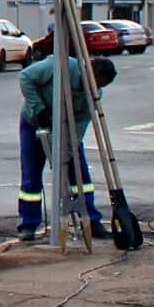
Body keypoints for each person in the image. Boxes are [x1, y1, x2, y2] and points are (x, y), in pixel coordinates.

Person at [16, 34, 107, 243]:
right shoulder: (59, 66)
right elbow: (26, 77)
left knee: (80, 174)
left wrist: (69, 148)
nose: (94, 90)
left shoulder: (95, 92)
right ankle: (28, 224)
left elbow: (83, 121)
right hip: (35, 124)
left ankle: (90, 219)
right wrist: (38, 108)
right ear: (88, 73)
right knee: (31, 174)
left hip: (67, 129)